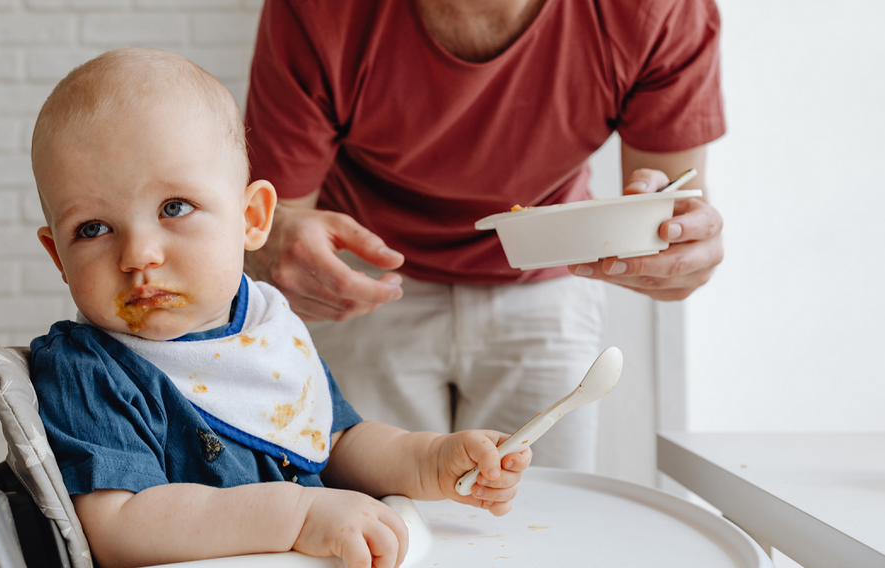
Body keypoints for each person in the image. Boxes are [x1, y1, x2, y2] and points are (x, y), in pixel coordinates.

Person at [27, 48, 531, 568]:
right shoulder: (86, 369)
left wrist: (428, 461)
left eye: (173, 208)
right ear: (57, 256)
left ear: (251, 218)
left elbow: (335, 442)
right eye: (92, 229)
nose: (138, 255)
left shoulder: (266, 328)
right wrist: (297, 514)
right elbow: (121, 526)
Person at [243, 0, 726, 471]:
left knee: (545, 519)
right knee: (374, 521)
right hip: (367, 274)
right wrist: (268, 244)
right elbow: (277, 215)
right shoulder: (316, 10)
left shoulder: (660, 10)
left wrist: (676, 244)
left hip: (546, 275)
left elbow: (671, 199)